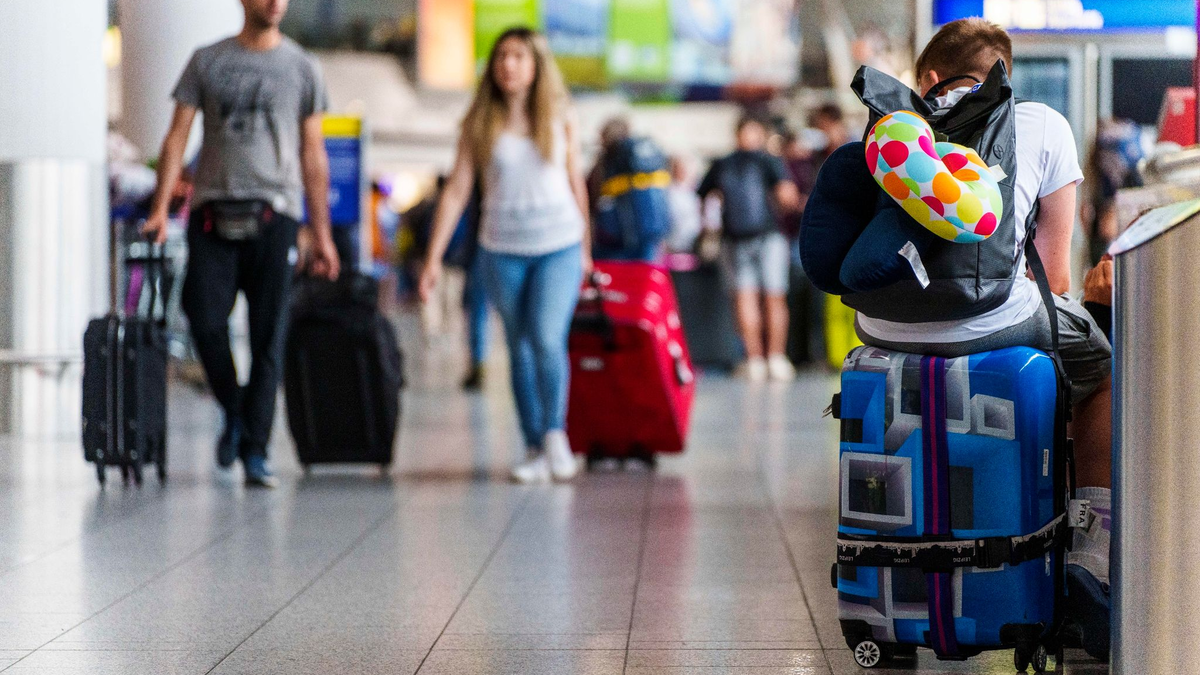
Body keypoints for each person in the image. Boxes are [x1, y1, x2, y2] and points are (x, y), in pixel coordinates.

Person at [851, 18, 1114, 660]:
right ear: (1001, 76)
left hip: (881, 325)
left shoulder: (887, 127)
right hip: (993, 315)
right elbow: (1053, 277)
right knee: (1099, 367)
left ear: (929, 80)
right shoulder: (1042, 123)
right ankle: (1091, 548)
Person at [142, 0, 341, 488]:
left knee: (267, 335)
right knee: (204, 318)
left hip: (277, 215)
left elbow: (313, 155)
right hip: (213, 211)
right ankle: (234, 408)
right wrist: (160, 210)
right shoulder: (206, 60)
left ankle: (256, 450)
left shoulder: (302, 67)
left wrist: (322, 234)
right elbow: (175, 139)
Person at [418, 27, 591, 484]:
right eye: (502, 57)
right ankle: (533, 444)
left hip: (559, 245)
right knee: (518, 348)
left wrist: (586, 248)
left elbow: (576, 181)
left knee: (547, 338)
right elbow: (456, 192)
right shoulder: (479, 122)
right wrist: (433, 257)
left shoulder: (560, 114)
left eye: (518, 56)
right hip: (502, 249)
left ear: (536, 66)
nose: (508, 65)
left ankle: (556, 434)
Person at [697, 115, 801, 381]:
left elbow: (702, 195)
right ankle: (776, 358)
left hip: (734, 239)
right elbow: (786, 197)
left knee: (745, 298)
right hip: (769, 236)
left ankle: (753, 359)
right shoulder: (769, 160)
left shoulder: (722, 163)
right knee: (775, 298)